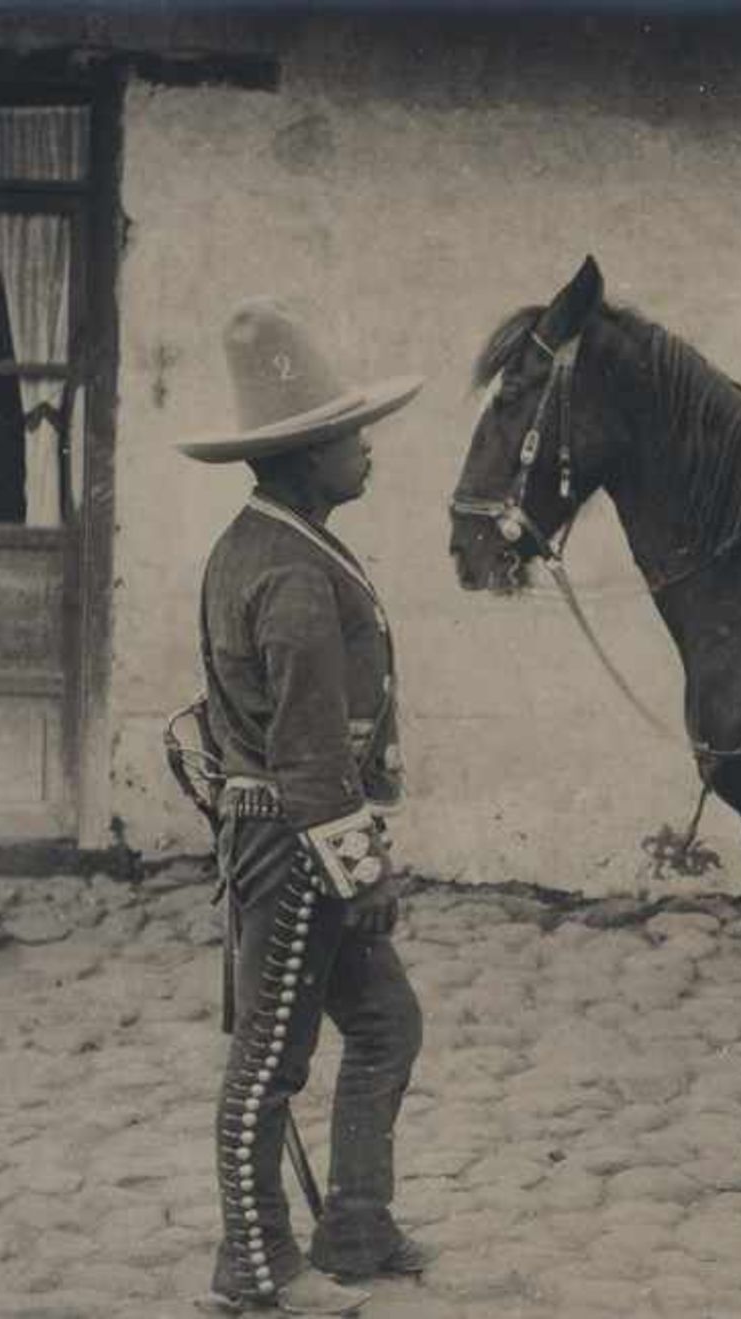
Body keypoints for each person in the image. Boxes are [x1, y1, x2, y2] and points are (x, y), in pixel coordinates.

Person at [179, 298, 427, 1315]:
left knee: (387, 1024)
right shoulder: (286, 571)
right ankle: (253, 1265)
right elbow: (311, 748)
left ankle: (357, 1226)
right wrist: (365, 875)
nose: (366, 449)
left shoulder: (275, 539)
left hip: (295, 835)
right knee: (270, 1061)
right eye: (350, 436)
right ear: (306, 455)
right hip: (296, 846)